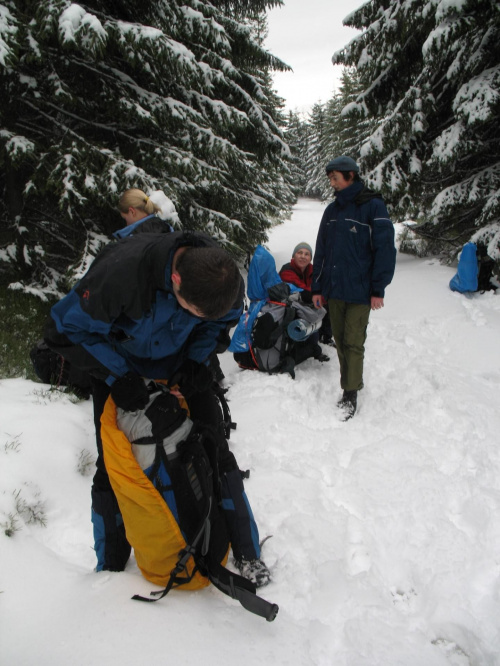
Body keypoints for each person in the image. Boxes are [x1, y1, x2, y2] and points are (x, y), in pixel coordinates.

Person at [44, 230, 271, 587]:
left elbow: (217, 325)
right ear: (176, 279)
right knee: (114, 464)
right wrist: (118, 377)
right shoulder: (121, 276)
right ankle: (111, 567)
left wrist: (194, 365)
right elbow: (63, 328)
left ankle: (246, 551)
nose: (201, 315)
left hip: (179, 366)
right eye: (192, 309)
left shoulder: (223, 282)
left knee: (214, 447)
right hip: (120, 370)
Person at [312, 156, 396, 420]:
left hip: (360, 292)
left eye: (335, 178)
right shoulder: (332, 211)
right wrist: (318, 287)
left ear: (350, 176)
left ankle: (350, 393)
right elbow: (322, 251)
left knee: (354, 342)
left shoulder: (373, 206)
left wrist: (378, 288)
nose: (332, 183)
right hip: (335, 290)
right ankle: (352, 381)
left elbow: (385, 250)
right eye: (330, 179)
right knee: (340, 341)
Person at [279, 242, 334, 346]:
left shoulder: (313, 270)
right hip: (291, 303)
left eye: (306, 254)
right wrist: (317, 295)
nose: (303, 256)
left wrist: (321, 295)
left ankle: (325, 336)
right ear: (294, 255)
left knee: (327, 301)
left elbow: (322, 285)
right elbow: (301, 289)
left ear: (310, 258)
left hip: (306, 301)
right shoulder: (287, 270)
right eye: (300, 253)